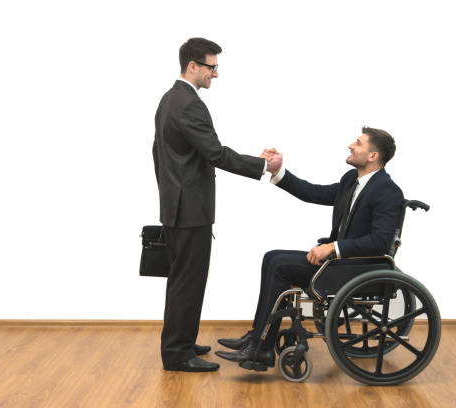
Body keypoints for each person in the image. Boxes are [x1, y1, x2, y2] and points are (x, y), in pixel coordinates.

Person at [215, 127, 404, 370]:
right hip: (342, 263)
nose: (350, 145)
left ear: (372, 156)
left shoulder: (388, 190)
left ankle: (260, 348)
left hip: (357, 268)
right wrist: (277, 171)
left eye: (358, 143)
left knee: (280, 265)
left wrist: (333, 248)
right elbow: (313, 192)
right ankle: (257, 337)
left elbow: (379, 242)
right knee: (271, 257)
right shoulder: (351, 180)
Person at [152, 38, 282, 372]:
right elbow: (214, 152)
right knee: (188, 280)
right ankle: (178, 354)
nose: (216, 74)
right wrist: (260, 165)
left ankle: (180, 340)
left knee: (182, 278)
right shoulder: (188, 103)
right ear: (192, 66)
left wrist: (170, 194)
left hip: (177, 206)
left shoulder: (169, 100)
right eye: (212, 67)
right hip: (190, 209)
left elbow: (160, 154)